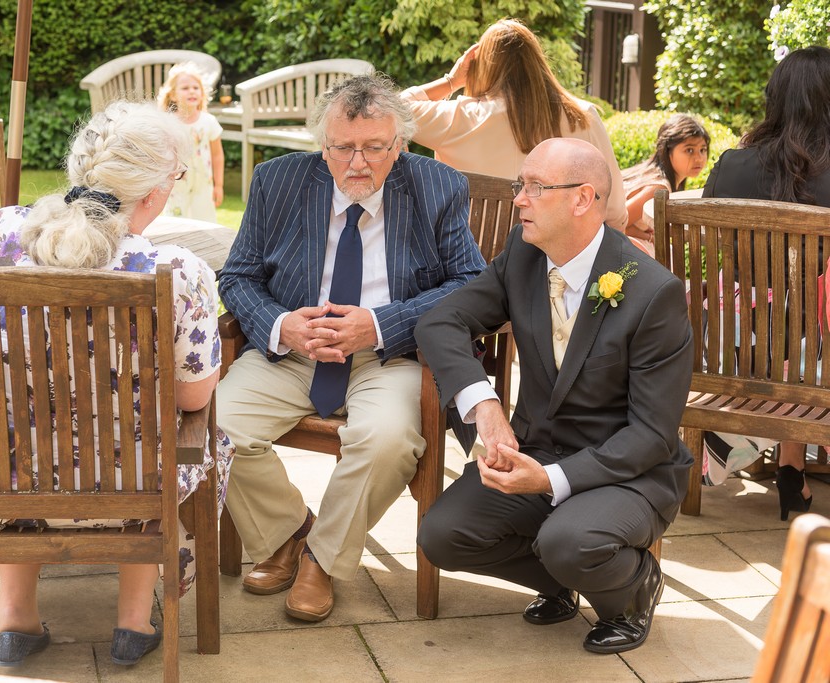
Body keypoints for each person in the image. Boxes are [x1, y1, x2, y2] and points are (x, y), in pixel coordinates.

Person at [0, 101, 233, 667]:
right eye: (176, 177)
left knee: (21, 421)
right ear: (152, 192)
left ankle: (15, 618)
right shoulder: (177, 270)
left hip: (1, 471)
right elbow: (194, 397)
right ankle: (133, 620)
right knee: (167, 435)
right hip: (130, 476)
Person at [217, 73, 485, 622]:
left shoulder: (439, 187)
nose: (357, 162)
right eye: (343, 148)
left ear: (399, 145)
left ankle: (321, 559)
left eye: (374, 148)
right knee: (214, 426)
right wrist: (282, 325)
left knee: (386, 439)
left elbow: (470, 283)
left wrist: (381, 323)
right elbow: (238, 275)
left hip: (391, 356)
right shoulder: (277, 181)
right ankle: (290, 532)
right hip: (294, 351)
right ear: (323, 146)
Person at [415, 137, 694, 654]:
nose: (519, 199)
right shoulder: (524, 255)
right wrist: (485, 404)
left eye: (535, 187)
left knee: (568, 541)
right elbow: (441, 321)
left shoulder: (654, 293)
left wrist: (548, 480)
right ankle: (561, 581)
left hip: (628, 471)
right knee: (443, 535)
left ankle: (634, 590)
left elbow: (652, 435)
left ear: (582, 198)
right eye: (520, 185)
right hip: (539, 447)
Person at [700, 45, 830, 519]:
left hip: (732, 347)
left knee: (784, 318)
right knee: (808, 319)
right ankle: (791, 462)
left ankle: (785, 461)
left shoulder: (732, 165)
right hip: (816, 357)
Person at [400, 18, 628, 232]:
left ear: (482, 68)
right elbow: (615, 210)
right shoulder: (582, 117)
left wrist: (452, 81)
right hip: (555, 258)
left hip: (470, 258)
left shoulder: (462, 118)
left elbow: (397, 108)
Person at [621, 114, 710, 257]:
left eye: (703, 150)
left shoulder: (660, 178)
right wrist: (649, 236)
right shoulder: (658, 187)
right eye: (689, 150)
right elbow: (615, 223)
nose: (699, 158)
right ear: (668, 151)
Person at [158, 62, 225, 221]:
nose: (192, 91)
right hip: (176, 187)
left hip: (203, 186)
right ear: (173, 95)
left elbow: (217, 155)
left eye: (196, 87)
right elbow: (160, 157)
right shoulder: (168, 123)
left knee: (204, 223)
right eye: (185, 88)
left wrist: (219, 185)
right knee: (176, 223)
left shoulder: (209, 121)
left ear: (202, 93)